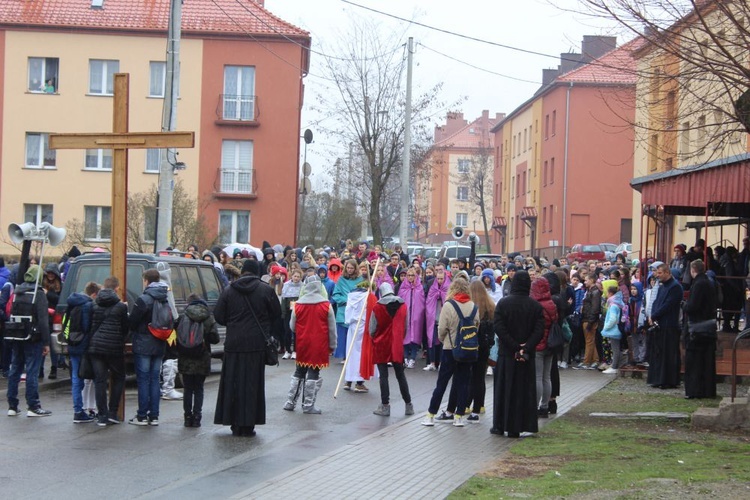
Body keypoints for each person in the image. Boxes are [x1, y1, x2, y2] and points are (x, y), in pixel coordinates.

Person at [214, 259, 282, 437]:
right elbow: (277, 313)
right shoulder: (265, 290)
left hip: (234, 344)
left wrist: (234, 322)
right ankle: (249, 423)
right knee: (252, 385)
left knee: (233, 384)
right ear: (257, 272)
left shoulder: (229, 290)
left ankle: (234, 422)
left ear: (242, 271)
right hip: (256, 344)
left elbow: (219, 316)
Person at [491, 270, 544, 438]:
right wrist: (526, 347)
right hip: (527, 356)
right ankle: (520, 425)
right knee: (523, 391)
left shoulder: (503, 304)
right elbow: (539, 330)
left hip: (507, 354)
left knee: (503, 390)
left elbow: (499, 327)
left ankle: (500, 425)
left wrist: (514, 346)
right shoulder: (535, 306)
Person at [421, 278, 478, 427]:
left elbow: (441, 329)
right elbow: (476, 326)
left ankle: (431, 415)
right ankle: (459, 416)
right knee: (463, 383)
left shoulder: (448, 305)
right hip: (467, 350)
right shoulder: (473, 306)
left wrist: (444, 339)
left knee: (442, 383)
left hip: (449, 348)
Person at [6, 265, 52, 417]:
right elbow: (43, 320)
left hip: (17, 334)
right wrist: (46, 343)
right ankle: (33, 406)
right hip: (34, 337)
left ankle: (12, 405)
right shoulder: (38, 294)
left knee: (15, 369)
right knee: (32, 370)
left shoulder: (18, 291)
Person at [286, 277, 336, 414]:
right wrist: (333, 345)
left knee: (299, 371)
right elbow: (332, 328)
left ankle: (290, 402)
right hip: (319, 343)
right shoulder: (326, 305)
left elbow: (292, 326)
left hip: (303, 343)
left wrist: (302, 332)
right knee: (313, 372)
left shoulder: (298, 305)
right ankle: (308, 405)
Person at [128, 269, 171, 426]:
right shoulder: (165, 298)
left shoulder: (143, 299)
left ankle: (142, 415)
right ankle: (154, 416)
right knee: (154, 380)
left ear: (146, 281)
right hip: (159, 342)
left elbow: (132, 322)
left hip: (143, 343)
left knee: (143, 380)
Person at [88, 276, 129, 426]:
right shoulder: (121, 307)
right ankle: (113, 412)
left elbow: (91, 326)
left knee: (100, 380)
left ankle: (102, 416)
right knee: (118, 377)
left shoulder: (94, 304)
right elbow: (126, 327)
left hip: (96, 346)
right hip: (114, 347)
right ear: (116, 288)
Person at [370, 282, 414, 417]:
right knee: (400, 375)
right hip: (396, 344)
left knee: (383, 376)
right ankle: (408, 405)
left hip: (381, 344)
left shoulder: (377, 307)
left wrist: (375, 338)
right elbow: (405, 326)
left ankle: (385, 406)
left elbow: (372, 329)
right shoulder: (403, 306)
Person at [177, 293, 220, 427]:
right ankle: (197, 417)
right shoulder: (208, 318)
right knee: (199, 388)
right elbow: (215, 339)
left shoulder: (182, 317)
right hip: (202, 357)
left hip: (185, 357)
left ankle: (187, 417)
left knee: (188, 388)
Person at [65, 281, 101, 423]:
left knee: (75, 378)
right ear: (93, 294)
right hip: (83, 344)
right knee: (83, 378)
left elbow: (65, 322)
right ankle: (80, 411)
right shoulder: (87, 305)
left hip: (72, 342)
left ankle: (77, 409)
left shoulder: (72, 302)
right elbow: (87, 327)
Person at [683, 260, 718, 399]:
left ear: (693, 270)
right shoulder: (709, 282)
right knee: (707, 361)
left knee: (695, 361)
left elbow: (693, 306)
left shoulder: (698, 284)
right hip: (708, 326)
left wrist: (684, 306)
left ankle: (695, 390)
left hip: (697, 328)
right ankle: (707, 390)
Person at [647, 263, 683, 389]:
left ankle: (668, 380)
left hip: (669, 325)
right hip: (660, 324)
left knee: (669, 354)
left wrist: (655, 315)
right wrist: (652, 315)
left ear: (667, 272)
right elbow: (657, 302)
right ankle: (658, 379)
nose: (658, 275)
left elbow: (668, 305)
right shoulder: (662, 286)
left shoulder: (675, 287)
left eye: (660, 273)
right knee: (659, 353)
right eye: (657, 273)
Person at [342, 281, 376, 392]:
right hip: (363, 326)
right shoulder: (368, 297)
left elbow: (347, 315)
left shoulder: (351, 296)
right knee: (361, 354)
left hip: (353, 327)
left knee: (351, 352)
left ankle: (348, 381)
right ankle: (359, 382)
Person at [530, 277, 557, 418]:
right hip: (551, 343)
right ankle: (545, 406)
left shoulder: (535, 305)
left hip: (539, 343)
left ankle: (534, 407)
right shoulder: (552, 303)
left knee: (538, 377)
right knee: (547, 377)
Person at [331, 260, 361, 360]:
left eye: (352, 268)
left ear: (355, 269)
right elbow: (336, 294)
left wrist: (354, 301)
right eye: (348, 268)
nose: (349, 270)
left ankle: (353, 356)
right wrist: (346, 300)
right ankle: (343, 355)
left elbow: (362, 293)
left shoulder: (360, 280)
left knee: (353, 335)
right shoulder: (341, 280)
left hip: (355, 310)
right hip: (343, 310)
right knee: (343, 335)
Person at [397, 268, 425, 369]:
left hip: (416, 316)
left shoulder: (419, 287)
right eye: (408, 275)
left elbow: (421, 302)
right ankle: (405, 357)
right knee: (405, 336)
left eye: (412, 275)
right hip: (406, 316)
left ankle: (412, 358)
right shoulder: (403, 287)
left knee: (415, 337)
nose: (410, 277)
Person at [424, 268, 450, 371]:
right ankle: (432, 362)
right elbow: (429, 301)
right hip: (433, 319)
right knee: (432, 341)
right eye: (438, 278)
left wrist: (442, 296)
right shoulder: (433, 288)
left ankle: (441, 363)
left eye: (441, 279)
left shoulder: (448, 288)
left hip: (443, 319)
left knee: (443, 342)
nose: (440, 281)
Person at [577, 274, 601, 369]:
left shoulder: (594, 292)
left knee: (589, 341)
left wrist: (591, 322)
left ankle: (586, 361)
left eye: (586, 280)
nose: (585, 282)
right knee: (591, 340)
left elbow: (595, 309)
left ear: (591, 280)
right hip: (587, 318)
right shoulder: (590, 291)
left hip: (589, 319)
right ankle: (595, 360)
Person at [600, 286, 623, 375]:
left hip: (614, 330)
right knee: (616, 348)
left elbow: (612, 319)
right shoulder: (618, 303)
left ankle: (614, 366)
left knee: (615, 348)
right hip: (616, 329)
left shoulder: (613, 305)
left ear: (610, 293)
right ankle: (615, 365)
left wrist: (606, 327)